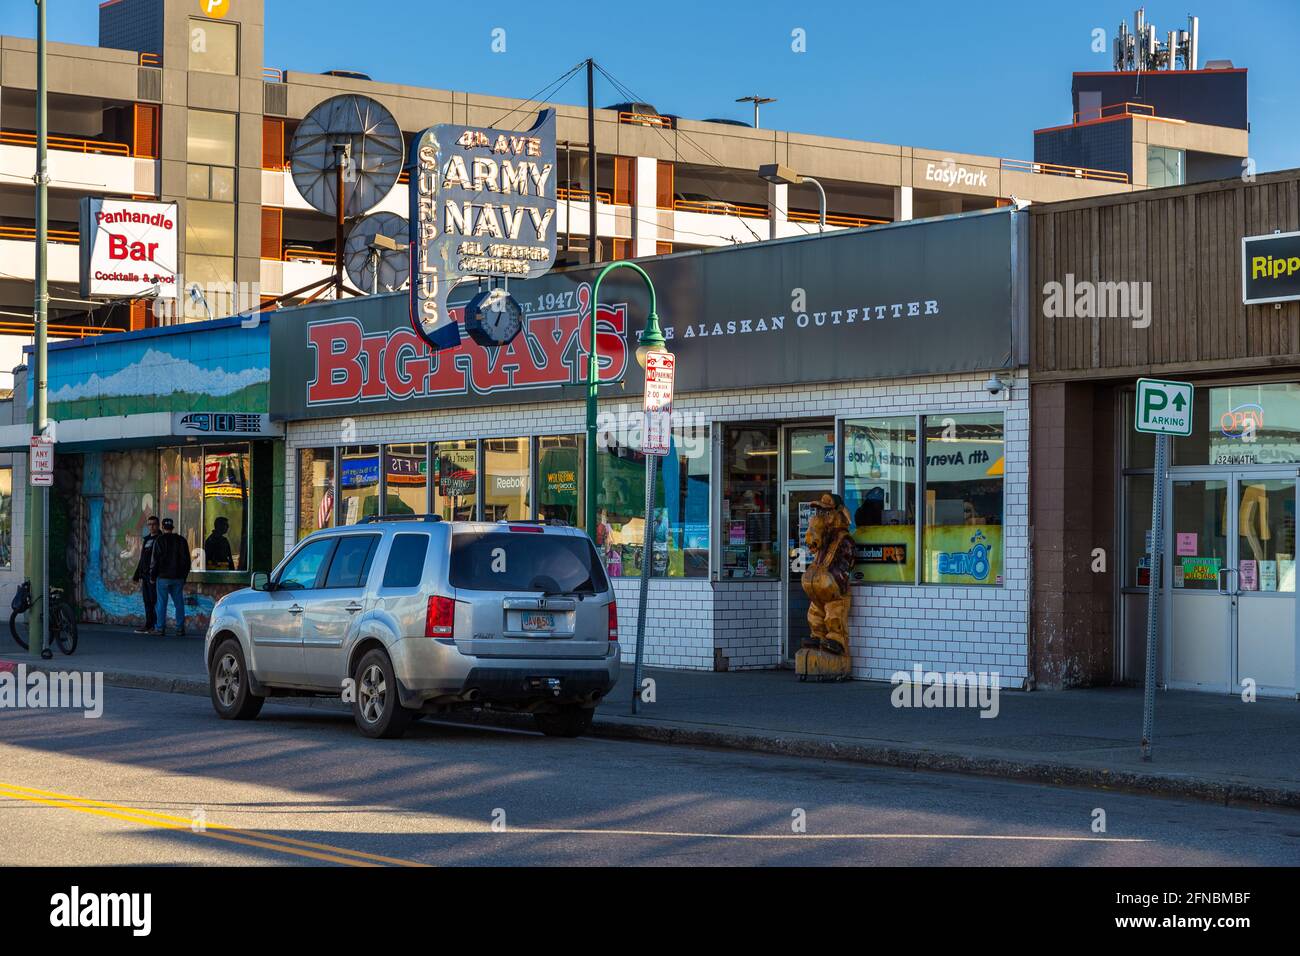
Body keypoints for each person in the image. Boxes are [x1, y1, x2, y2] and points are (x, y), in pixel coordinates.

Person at [150, 517, 192, 637]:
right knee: (179, 602)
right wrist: (184, 576)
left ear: (162, 527)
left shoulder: (159, 540)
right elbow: (187, 561)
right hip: (178, 577)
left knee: (161, 603)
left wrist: (152, 576)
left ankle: (160, 628)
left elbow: (155, 561)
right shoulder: (181, 540)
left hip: (162, 577)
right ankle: (180, 628)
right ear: (172, 527)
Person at [131, 516, 160, 634]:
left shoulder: (160, 539)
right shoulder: (147, 539)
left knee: (154, 600)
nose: (151, 527)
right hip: (145, 575)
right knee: (147, 601)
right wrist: (137, 574)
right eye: (149, 524)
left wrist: (155, 574)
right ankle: (148, 624)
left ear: (158, 525)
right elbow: (142, 558)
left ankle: (155, 625)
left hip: (154, 575)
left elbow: (159, 559)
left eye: (153, 524)